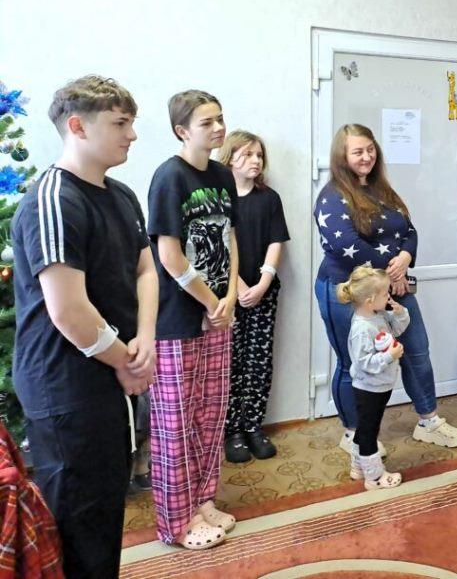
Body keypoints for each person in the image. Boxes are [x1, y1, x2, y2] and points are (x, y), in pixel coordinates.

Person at [12, 76, 155, 577]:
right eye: (120, 123)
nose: (132, 135)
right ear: (77, 126)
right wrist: (127, 362)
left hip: (112, 370)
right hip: (65, 384)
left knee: (105, 509)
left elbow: (145, 270)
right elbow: (68, 311)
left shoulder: (121, 195)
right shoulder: (53, 199)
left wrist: (145, 340)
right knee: (78, 522)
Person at [314, 124, 457, 456]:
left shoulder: (382, 189)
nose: (366, 156)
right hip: (348, 291)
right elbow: (346, 245)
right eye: (357, 151)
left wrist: (406, 257)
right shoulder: (331, 197)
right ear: (341, 156)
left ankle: (428, 422)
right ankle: (354, 434)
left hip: (394, 284)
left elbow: (408, 230)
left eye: (370, 149)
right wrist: (391, 273)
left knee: (417, 353)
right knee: (352, 363)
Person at [148, 90, 239, 549]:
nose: (219, 128)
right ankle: (175, 522)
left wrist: (230, 296)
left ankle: (203, 501)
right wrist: (209, 301)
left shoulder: (222, 175)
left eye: (220, 119)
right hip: (178, 320)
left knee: (210, 415)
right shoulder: (169, 177)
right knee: (175, 423)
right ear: (182, 131)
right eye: (207, 122)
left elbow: (231, 238)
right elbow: (169, 255)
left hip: (218, 314)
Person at [218, 131, 290, 463]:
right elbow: (216, 247)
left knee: (258, 362)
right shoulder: (219, 199)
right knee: (230, 362)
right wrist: (239, 285)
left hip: (263, 293)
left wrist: (263, 283)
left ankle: (253, 426)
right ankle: (232, 431)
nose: (255, 160)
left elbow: (276, 241)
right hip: (227, 295)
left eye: (259, 155)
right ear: (229, 158)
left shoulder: (269, 198)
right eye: (247, 154)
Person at [340, 267, 408, 488]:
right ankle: (375, 477)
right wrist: (390, 356)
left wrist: (399, 313)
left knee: (365, 427)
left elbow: (396, 330)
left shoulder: (378, 316)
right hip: (368, 388)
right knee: (369, 431)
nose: (389, 297)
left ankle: (359, 467)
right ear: (370, 300)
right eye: (385, 294)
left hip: (380, 385)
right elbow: (364, 362)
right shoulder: (362, 329)